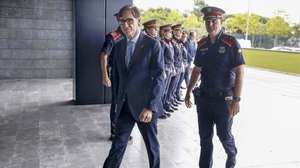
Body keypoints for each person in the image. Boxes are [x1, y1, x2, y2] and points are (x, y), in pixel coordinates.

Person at [103, 5, 164, 168]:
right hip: (125, 107)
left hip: (145, 108)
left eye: (130, 20)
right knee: (117, 145)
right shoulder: (119, 45)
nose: (126, 25)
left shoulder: (153, 45)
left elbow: (159, 78)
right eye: (122, 21)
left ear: (138, 21)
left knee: (152, 147)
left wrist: (150, 107)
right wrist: (117, 102)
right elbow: (120, 77)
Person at [184, 6, 245, 168]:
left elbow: (240, 72)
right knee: (205, 139)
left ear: (221, 21)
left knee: (224, 135)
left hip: (224, 100)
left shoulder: (231, 42)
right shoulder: (202, 43)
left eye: (214, 21)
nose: (210, 24)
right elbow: (197, 70)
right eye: (207, 21)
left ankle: (232, 154)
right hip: (204, 99)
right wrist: (188, 91)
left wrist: (237, 99)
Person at [99, 13, 126, 141]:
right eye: (122, 20)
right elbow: (103, 55)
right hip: (116, 74)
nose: (125, 22)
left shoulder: (131, 36)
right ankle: (115, 132)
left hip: (127, 74)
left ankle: (123, 130)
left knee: (125, 102)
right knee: (116, 102)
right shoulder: (113, 36)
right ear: (118, 20)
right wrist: (105, 76)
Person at [159, 23, 175, 119]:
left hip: (169, 68)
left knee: (165, 91)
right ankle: (159, 111)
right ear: (163, 32)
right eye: (168, 31)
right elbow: (160, 58)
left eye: (170, 31)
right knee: (161, 91)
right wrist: (163, 70)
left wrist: (172, 66)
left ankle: (163, 108)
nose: (170, 33)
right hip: (164, 69)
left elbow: (171, 57)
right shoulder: (162, 43)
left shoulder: (168, 42)